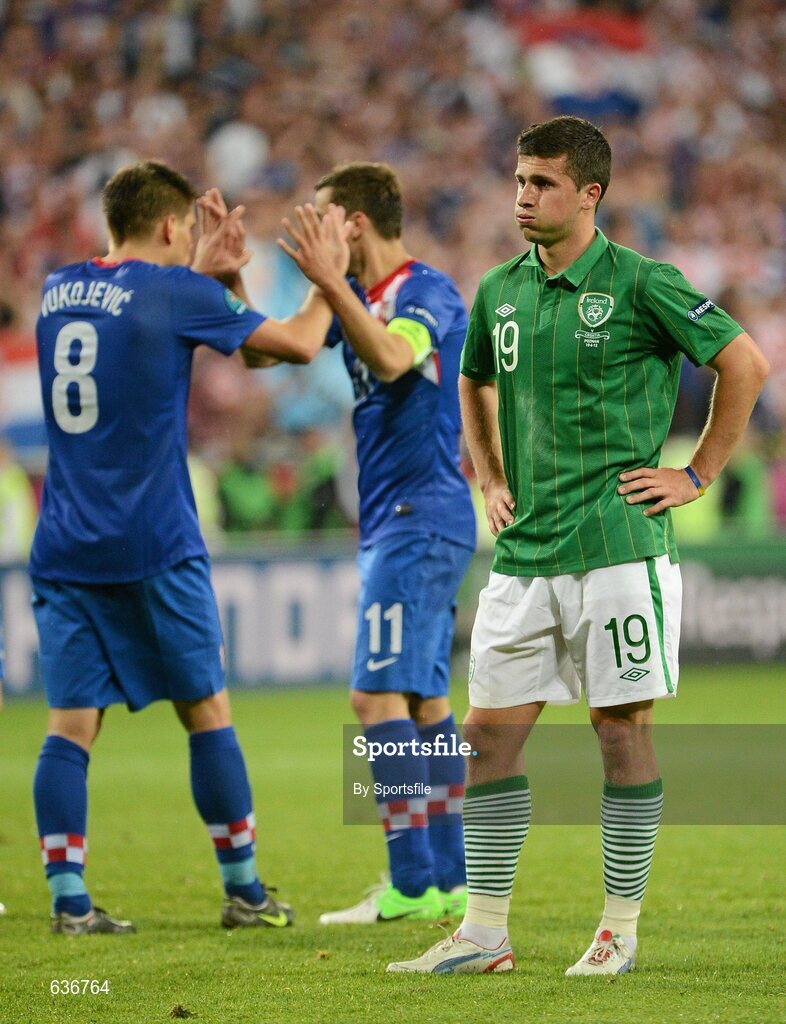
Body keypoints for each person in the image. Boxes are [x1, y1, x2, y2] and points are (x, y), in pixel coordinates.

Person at [387, 116, 769, 974]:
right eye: (520, 179)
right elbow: (473, 376)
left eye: (543, 183)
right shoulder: (498, 291)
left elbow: (743, 363)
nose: (523, 195)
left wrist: (696, 473)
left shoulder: (642, 282)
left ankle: (619, 932)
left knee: (619, 730)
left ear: (589, 193)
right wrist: (488, 473)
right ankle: (484, 933)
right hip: (525, 554)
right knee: (486, 739)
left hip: (618, 550)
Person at [30, 160, 341, 935]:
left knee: (70, 726)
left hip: (66, 543)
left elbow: (135, 322)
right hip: (157, 541)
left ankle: (70, 902)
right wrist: (323, 280)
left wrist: (204, 280)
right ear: (174, 226)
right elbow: (301, 346)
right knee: (206, 712)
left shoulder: (57, 289)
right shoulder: (177, 294)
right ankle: (244, 890)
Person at [277, 163, 477, 923]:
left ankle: (410, 882)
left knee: (373, 695)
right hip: (403, 517)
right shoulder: (353, 296)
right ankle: (449, 881)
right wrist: (233, 283)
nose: (314, 230)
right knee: (424, 700)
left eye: (323, 218)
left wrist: (334, 284)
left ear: (354, 222)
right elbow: (284, 349)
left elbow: (395, 358)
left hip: (418, 512)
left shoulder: (424, 289)